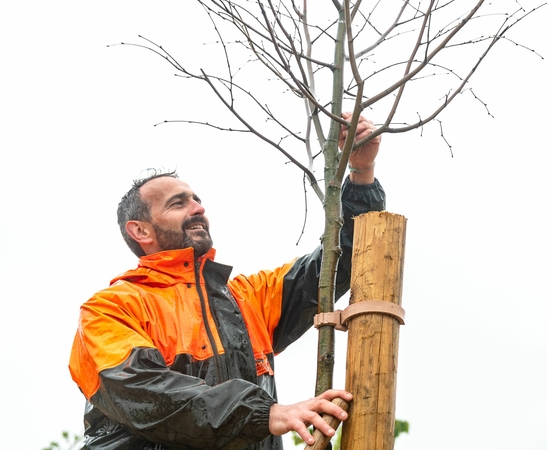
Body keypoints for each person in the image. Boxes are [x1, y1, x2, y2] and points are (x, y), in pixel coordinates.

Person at [68, 113, 385, 450]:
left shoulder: (247, 299)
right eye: (178, 203)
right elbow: (146, 394)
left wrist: (361, 174)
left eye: (197, 200)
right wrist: (266, 414)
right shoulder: (110, 310)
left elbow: (337, 262)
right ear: (140, 230)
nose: (198, 208)